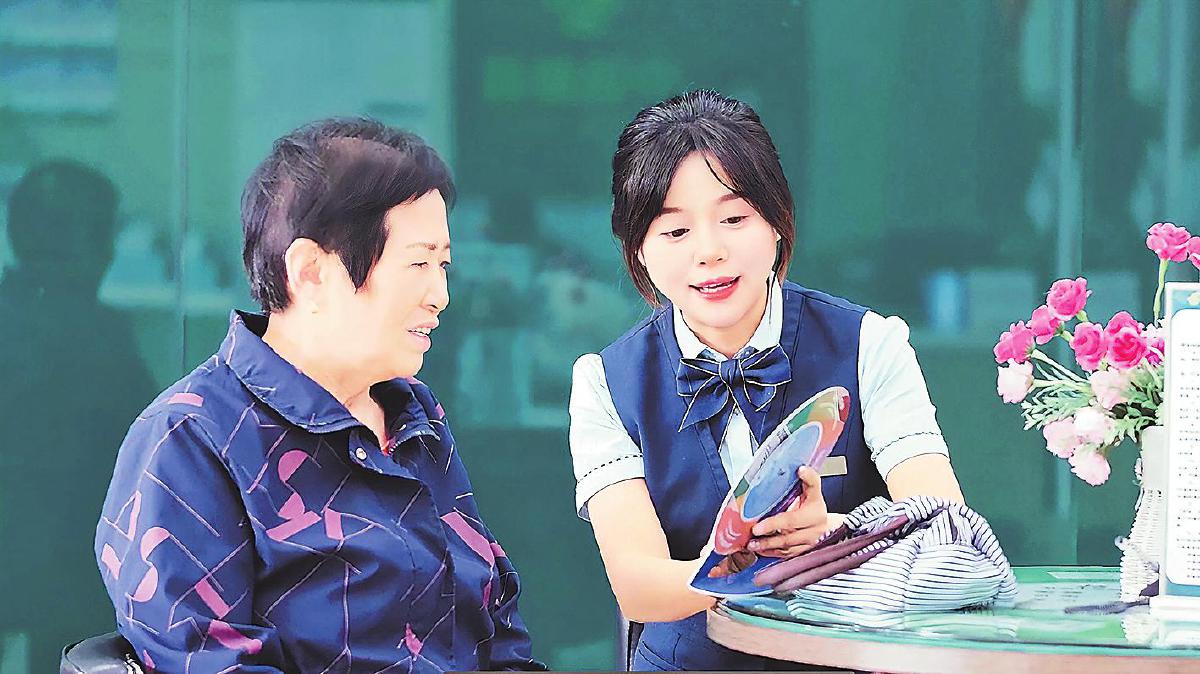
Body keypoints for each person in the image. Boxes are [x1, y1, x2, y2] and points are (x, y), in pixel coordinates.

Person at [94, 118, 544, 672]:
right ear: (311, 271)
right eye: (418, 263)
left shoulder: (414, 417)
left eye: (443, 264)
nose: (441, 295)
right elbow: (208, 660)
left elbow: (497, 627)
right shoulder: (192, 437)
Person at [568, 90, 965, 671]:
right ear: (639, 251)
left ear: (777, 223)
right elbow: (638, 584)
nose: (709, 251)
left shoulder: (870, 344)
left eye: (734, 219)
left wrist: (831, 533)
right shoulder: (605, 383)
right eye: (675, 231)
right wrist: (729, 566)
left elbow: (946, 530)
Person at [0, 160, 156, 672]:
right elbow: (150, 456)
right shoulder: (97, 341)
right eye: (103, 234)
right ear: (85, 243)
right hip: (73, 574)